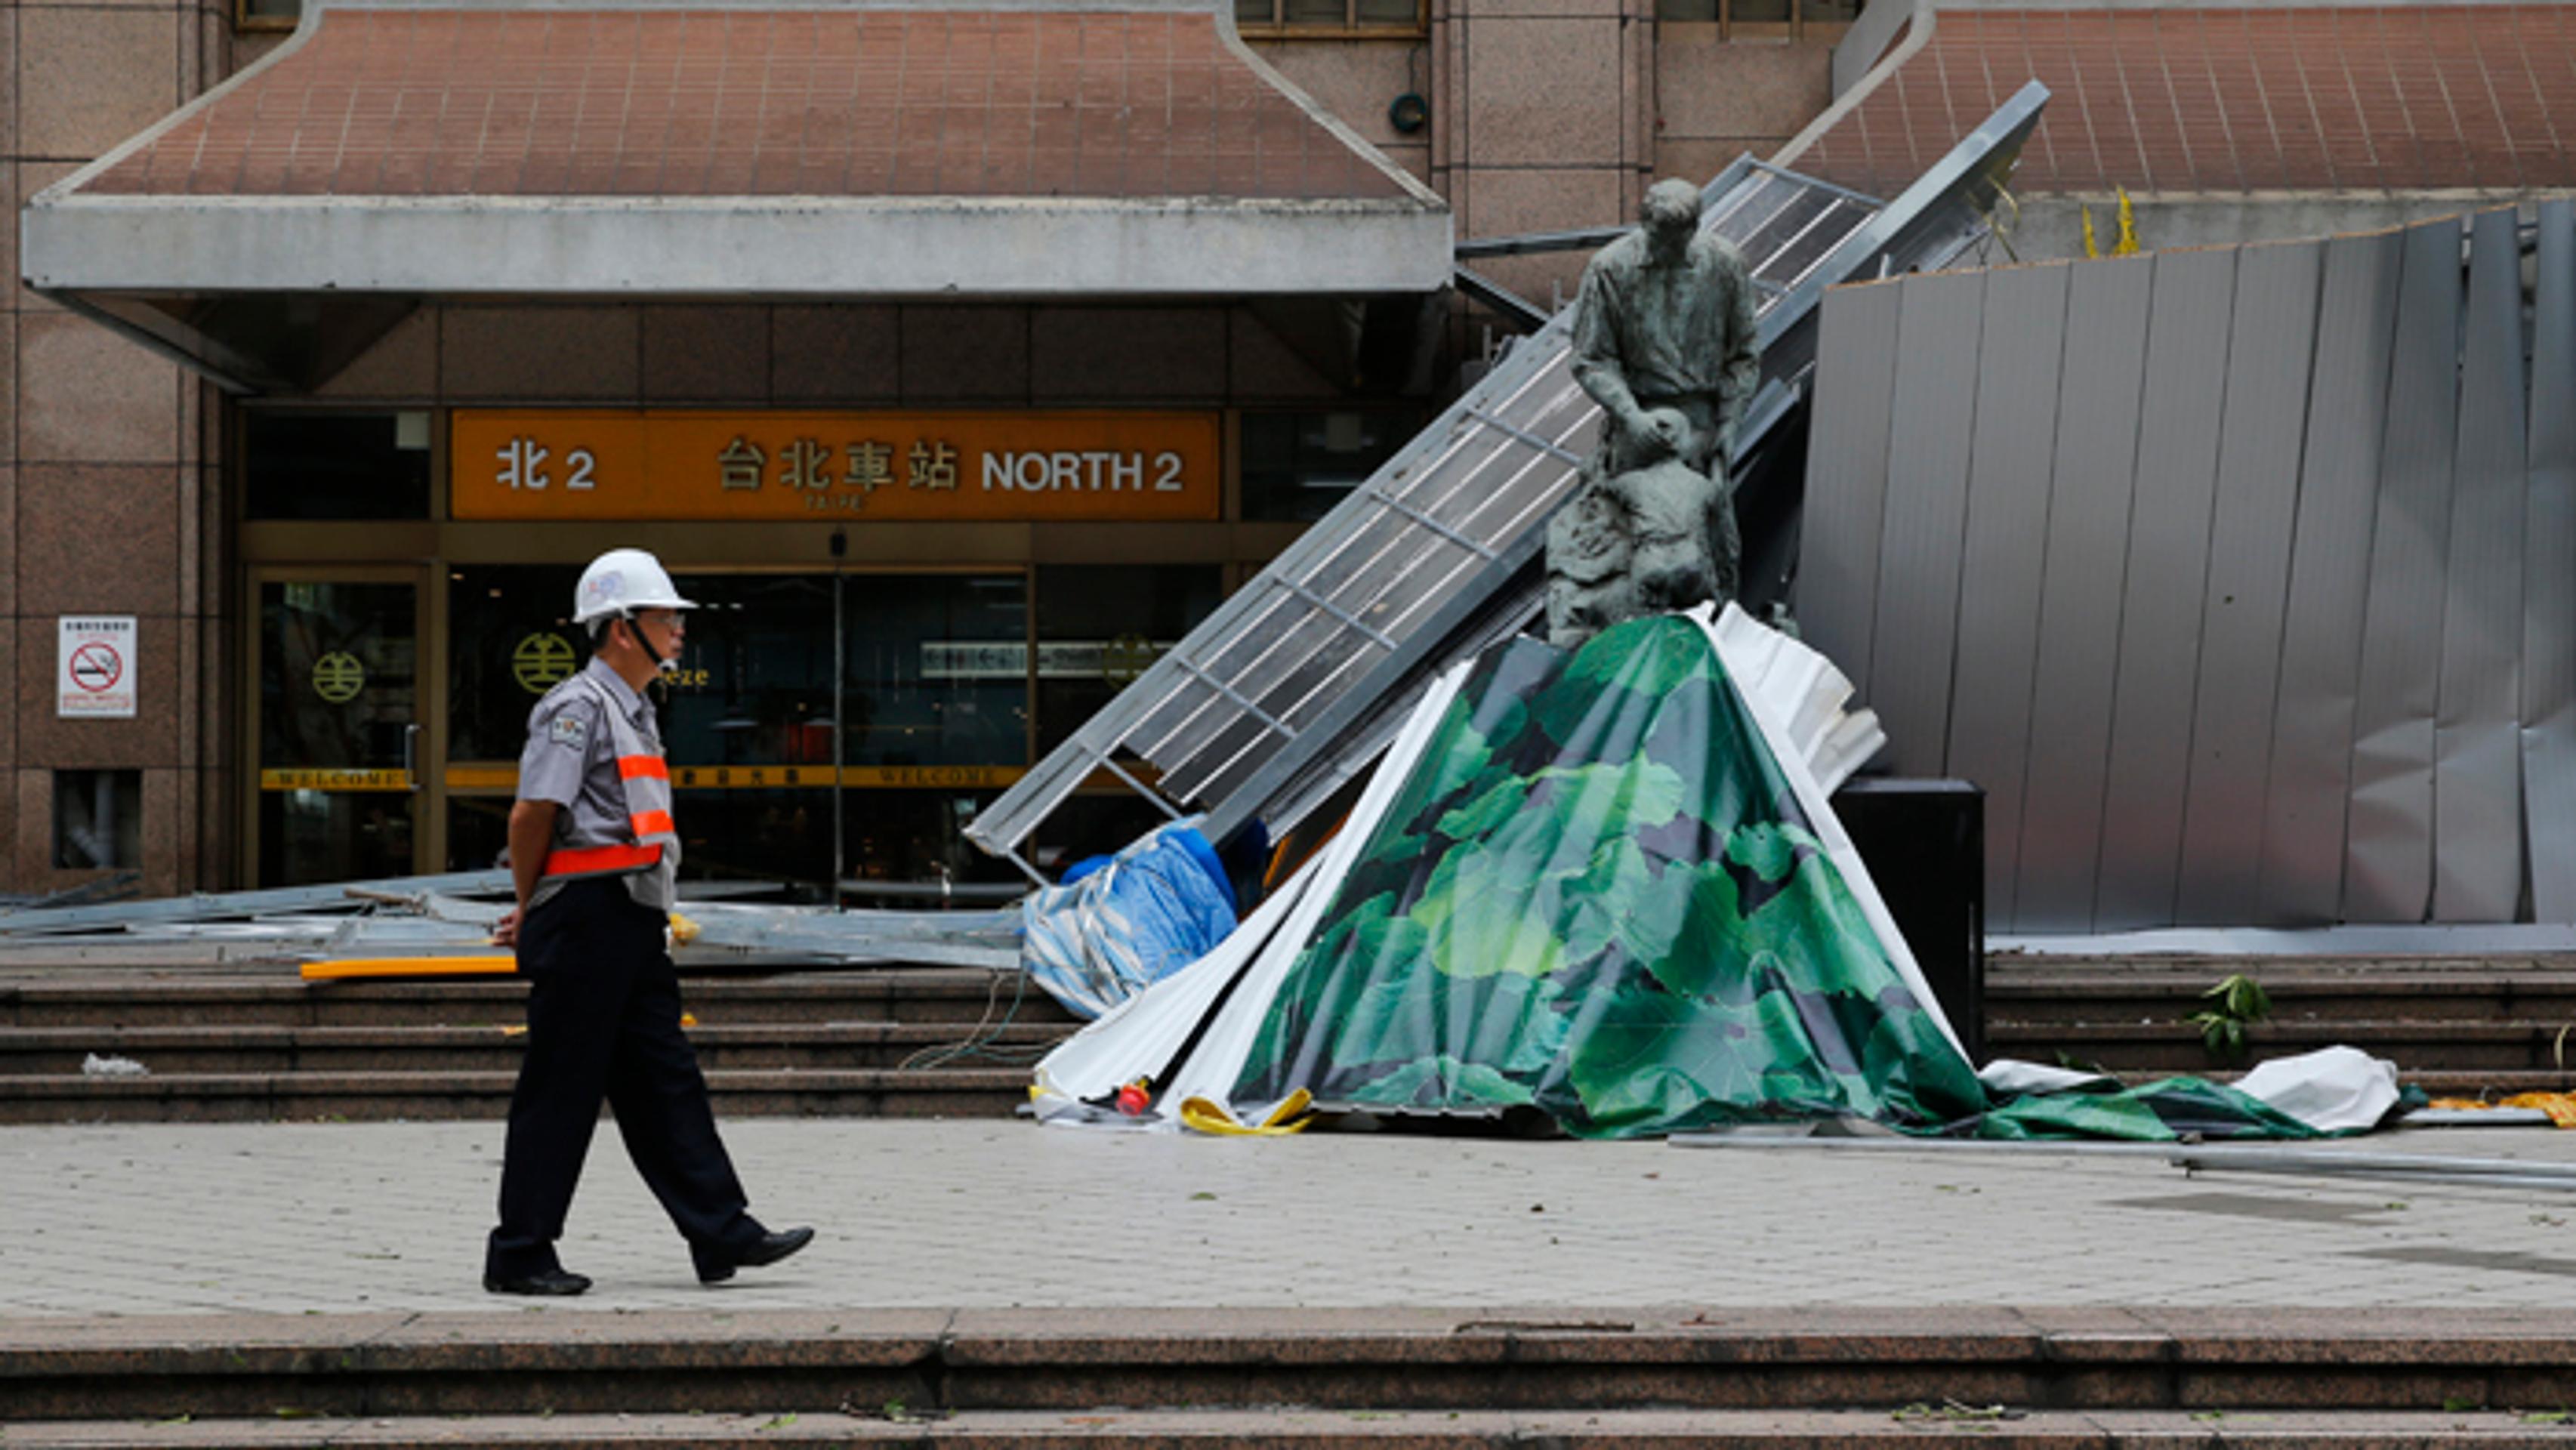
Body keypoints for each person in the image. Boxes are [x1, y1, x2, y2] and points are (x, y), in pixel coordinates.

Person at [483, 548, 813, 1295]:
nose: (679, 629)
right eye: (666, 617)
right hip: (588, 919)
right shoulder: (576, 707)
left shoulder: (633, 709)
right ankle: (520, 1254)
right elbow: (532, 814)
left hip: (627, 918)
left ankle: (721, 1233)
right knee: (561, 1090)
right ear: (620, 628)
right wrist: (534, 906)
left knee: (665, 1081)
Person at [1547, 177, 1760, 647]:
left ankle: (1709, 639)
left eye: (1680, 240)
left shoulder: (1724, 264)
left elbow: (1744, 356)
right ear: (1644, 225)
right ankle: (1621, 640)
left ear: (1695, 229)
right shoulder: (1611, 268)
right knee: (1623, 539)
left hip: (1702, 421)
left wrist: (1729, 424)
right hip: (1635, 419)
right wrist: (1630, 416)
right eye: (1661, 239)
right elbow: (1590, 358)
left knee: (1713, 541)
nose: (1669, 250)